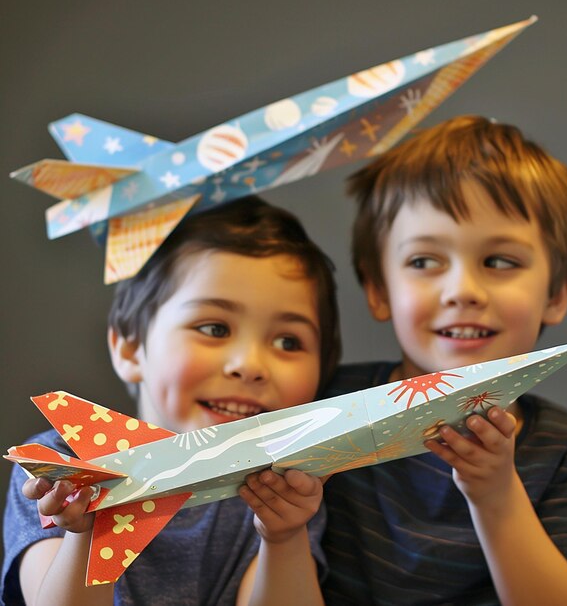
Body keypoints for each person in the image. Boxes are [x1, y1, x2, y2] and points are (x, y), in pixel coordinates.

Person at [321, 116, 567, 605]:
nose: (463, 290)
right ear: (378, 290)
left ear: (556, 294)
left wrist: (496, 494)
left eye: (500, 262)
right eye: (424, 262)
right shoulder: (328, 406)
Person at [2, 196, 341, 606]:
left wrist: (284, 537)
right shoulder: (62, 467)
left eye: (288, 341)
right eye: (215, 328)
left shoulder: (286, 486)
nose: (250, 365)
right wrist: (84, 533)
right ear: (130, 349)